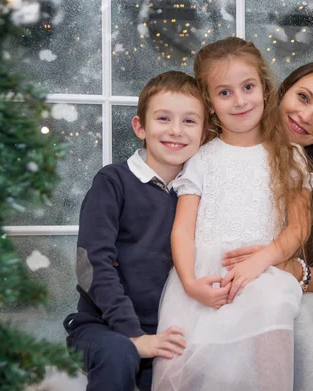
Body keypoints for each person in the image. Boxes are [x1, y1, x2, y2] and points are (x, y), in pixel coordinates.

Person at [152, 37, 313, 391]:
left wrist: (263, 261)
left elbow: (299, 227)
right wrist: (191, 284)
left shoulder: (289, 156)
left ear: (265, 88)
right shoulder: (200, 158)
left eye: (247, 87)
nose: (240, 100)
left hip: (261, 272)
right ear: (209, 102)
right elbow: (182, 231)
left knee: (269, 320)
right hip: (203, 280)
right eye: (224, 92)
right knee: (186, 366)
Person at [223, 61, 313, 390]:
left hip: (283, 307)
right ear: (282, 90)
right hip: (221, 287)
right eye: (303, 97)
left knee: (294, 319)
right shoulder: (227, 146)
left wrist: (289, 268)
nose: (306, 116)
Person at [63, 71, 207, 391]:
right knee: (119, 354)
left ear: (204, 132)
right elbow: (92, 262)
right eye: (164, 118)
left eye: (189, 121)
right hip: (104, 328)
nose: (175, 130)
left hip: (171, 330)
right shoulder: (113, 182)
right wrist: (134, 335)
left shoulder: (198, 194)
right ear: (140, 127)